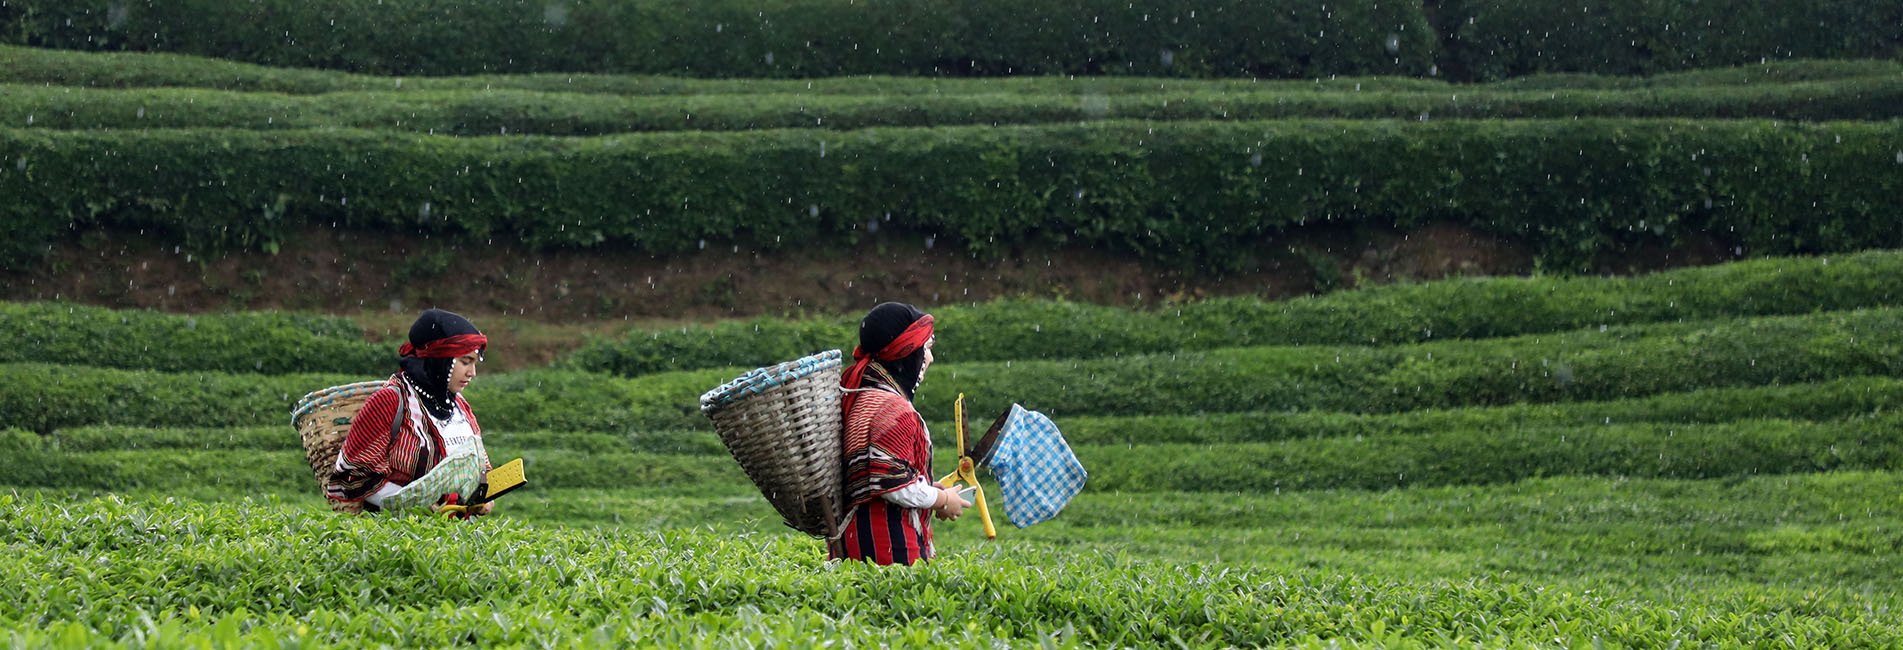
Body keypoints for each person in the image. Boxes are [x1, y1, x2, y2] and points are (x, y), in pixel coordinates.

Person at [830, 302, 970, 564]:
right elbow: (891, 484)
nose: (930, 359)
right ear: (907, 353)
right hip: (888, 551)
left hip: (855, 543)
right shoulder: (891, 408)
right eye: (926, 349)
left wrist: (928, 490)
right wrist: (941, 499)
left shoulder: (864, 397)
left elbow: (876, 476)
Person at [326, 308, 495, 515]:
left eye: (475, 363)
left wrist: (483, 496)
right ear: (439, 359)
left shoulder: (459, 405)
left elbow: (480, 467)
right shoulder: (391, 401)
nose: (472, 372)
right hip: (400, 529)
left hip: (453, 531)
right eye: (465, 362)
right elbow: (356, 477)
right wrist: (417, 506)